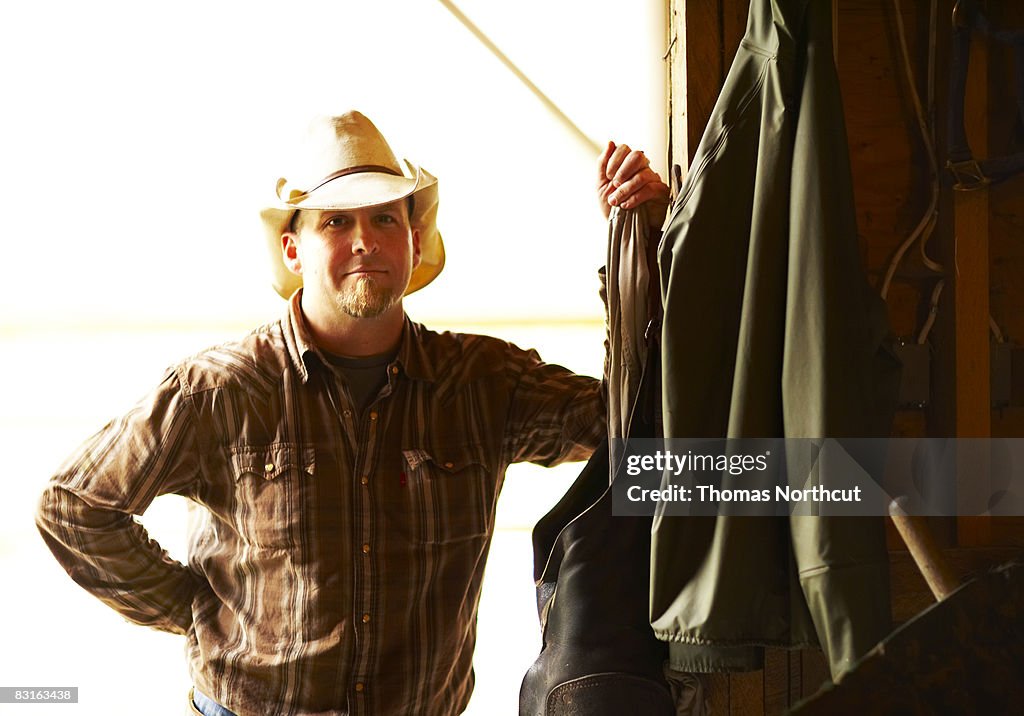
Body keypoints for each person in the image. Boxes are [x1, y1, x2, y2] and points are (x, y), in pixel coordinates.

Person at [36, 110, 669, 716]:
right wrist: (195, 609)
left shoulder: (481, 384)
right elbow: (73, 505)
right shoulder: (219, 393)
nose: (365, 242)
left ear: (413, 239)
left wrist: (645, 247)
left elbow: (632, 428)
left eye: (385, 220)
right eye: (336, 221)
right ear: (293, 250)